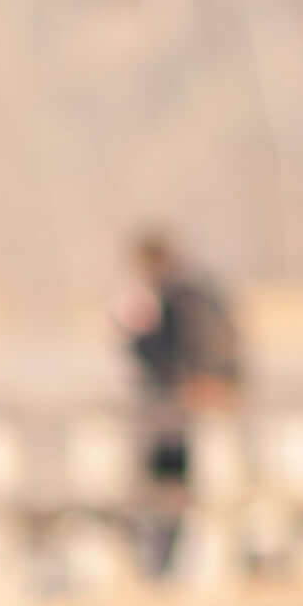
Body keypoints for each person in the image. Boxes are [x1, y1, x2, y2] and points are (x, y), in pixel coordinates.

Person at [118, 225, 245, 573]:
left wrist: (135, 335)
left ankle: (176, 567)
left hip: (186, 408)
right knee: (194, 491)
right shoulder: (200, 291)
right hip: (202, 404)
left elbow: (170, 355)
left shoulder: (178, 297)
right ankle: (184, 566)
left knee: (179, 491)